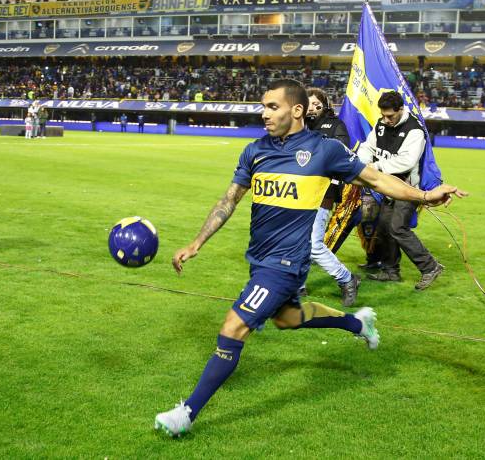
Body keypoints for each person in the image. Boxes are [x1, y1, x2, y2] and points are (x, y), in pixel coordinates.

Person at [154, 79, 466, 437]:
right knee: (289, 318)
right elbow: (229, 201)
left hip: (286, 264)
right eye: (263, 106)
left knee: (233, 327)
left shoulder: (324, 150)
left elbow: (376, 180)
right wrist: (197, 243)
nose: (264, 113)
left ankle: (186, 414)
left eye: (272, 106)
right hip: (259, 258)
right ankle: (358, 324)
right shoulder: (254, 151)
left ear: (297, 110)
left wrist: (425, 196)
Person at [356, 91, 445, 290]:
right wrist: (363, 163)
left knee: (398, 228)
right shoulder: (380, 125)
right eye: (383, 115)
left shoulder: (415, 131)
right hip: (388, 187)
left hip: (407, 189)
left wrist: (375, 167)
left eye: (390, 116)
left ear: (401, 109)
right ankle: (391, 271)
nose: (386, 120)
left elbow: (407, 162)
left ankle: (430, 267)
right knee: (386, 227)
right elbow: (367, 147)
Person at [305, 88, 360, 306]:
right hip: (299, 190)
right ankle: (297, 286)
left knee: (313, 245)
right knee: (296, 240)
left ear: (323, 104)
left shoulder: (336, 126)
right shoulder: (300, 126)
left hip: (325, 190)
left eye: (313, 103)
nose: (310, 107)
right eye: (306, 103)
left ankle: (347, 279)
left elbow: (340, 155)